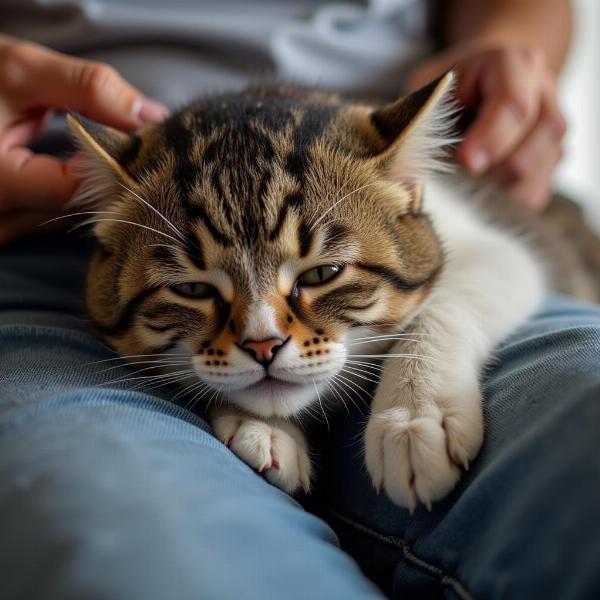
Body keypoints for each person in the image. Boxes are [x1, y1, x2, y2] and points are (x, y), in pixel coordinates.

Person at [0, 1, 598, 598]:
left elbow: (498, 261)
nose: (264, 339)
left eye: (323, 274)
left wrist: (508, 43)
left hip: (360, 157)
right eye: (191, 288)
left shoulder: (375, 184)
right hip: (42, 236)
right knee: (153, 555)